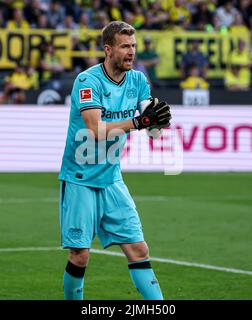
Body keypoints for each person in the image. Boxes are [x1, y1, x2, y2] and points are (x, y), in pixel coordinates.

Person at [58, 21, 171, 300]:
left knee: (138, 249)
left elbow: (152, 129)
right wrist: (138, 122)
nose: (131, 52)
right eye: (125, 46)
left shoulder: (138, 80)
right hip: (80, 178)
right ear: (108, 49)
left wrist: (157, 123)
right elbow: (94, 130)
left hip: (112, 179)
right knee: (80, 255)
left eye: (133, 46)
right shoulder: (87, 80)